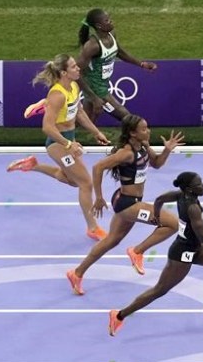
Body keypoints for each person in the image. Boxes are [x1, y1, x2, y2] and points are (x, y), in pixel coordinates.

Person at [107, 171, 203, 336]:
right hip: (182, 253)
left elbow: (159, 200)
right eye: (199, 184)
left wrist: (156, 216)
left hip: (194, 248)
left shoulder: (180, 195)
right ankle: (119, 315)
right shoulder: (192, 208)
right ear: (190, 189)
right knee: (159, 290)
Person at [65, 114, 185, 295]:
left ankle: (77, 273)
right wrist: (98, 197)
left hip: (131, 201)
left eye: (147, 127)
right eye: (144, 129)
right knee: (172, 223)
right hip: (127, 204)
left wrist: (167, 150)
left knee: (111, 240)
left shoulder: (143, 146)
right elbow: (98, 167)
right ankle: (137, 251)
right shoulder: (126, 153)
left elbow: (157, 164)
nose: (148, 131)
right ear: (132, 134)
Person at [7, 53, 112, 242]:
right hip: (57, 142)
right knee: (85, 183)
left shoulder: (73, 85)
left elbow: (79, 112)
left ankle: (33, 165)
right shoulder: (56, 94)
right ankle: (93, 228)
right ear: (64, 72)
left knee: (73, 181)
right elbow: (47, 127)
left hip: (68, 137)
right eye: (73, 67)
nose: (78, 68)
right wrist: (69, 144)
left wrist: (96, 132)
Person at [24, 8, 157, 123]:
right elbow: (77, 72)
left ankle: (48, 106)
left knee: (81, 122)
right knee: (129, 120)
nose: (111, 21)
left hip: (102, 85)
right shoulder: (92, 46)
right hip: (96, 89)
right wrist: (94, 97)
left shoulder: (111, 34)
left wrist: (142, 64)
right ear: (99, 26)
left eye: (109, 18)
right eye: (107, 20)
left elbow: (119, 52)